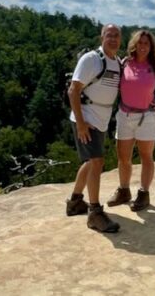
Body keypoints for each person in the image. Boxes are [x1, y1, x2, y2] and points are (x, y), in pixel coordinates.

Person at [106, 29, 155, 212]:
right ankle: (124, 191)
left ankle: (144, 193)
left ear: (151, 46)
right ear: (134, 45)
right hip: (125, 115)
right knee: (123, 157)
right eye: (140, 43)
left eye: (147, 43)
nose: (143, 46)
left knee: (146, 156)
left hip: (147, 117)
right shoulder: (125, 63)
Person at [65, 24, 123, 233]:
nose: (113, 39)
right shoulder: (91, 59)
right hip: (86, 119)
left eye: (117, 35)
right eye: (109, 35)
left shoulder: (117, 63)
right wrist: (80, 123)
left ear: (121, 39)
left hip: (101, 120)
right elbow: (73, 90)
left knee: (91, 162)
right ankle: (95, 213)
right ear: (102, 37)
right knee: (97, 162)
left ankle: (75, 201)